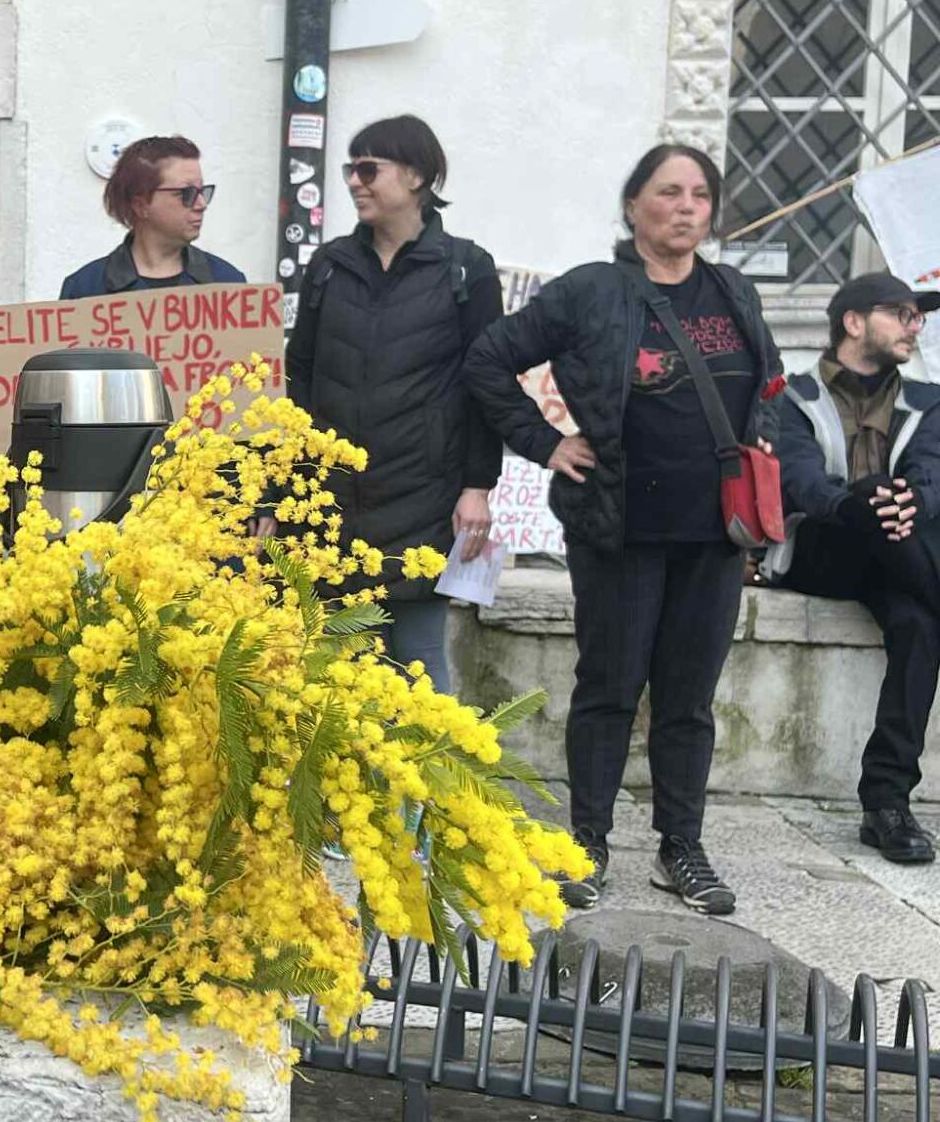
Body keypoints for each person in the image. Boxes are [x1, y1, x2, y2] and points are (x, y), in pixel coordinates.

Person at [465, 144, 784, 916]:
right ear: (633, 204)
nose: (686, 207)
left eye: (700, 194)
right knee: (609, 690)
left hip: (714, 534)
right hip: (620, 526)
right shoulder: (590, 292)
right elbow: (487, 360)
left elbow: (768, 380)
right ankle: (587, 844)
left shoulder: (732, 290)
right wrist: (548, 444)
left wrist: (761, 441)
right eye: (669, 192)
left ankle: (682, 849)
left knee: (689, 699)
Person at [285, 115, 500, 691]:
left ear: (416, 176)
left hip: (422, 498)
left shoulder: (465, 269)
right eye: (350, 168)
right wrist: (292, 481)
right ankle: (340, 783)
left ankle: (428, 782)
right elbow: (298, 374)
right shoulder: (329, 266)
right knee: (332, 666)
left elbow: (487, 386)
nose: (355, 181)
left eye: (367, 168)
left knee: (418, 663)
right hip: (330, 497)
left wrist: (477, 486)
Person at [765, 273, 940, 864]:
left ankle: (886, 803)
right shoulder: (790, 397)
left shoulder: (929, 400)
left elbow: (931, 475)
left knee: (919, 626)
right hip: (822, 548)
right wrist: (859, 504)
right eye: (902, 314)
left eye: (919, 317)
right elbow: (800, 478)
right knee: (873, 501)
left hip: (900, 560)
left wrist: (905, 502)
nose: (915, 326)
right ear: (854, 322)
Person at [59, 135, 246, 298]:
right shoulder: (86, 289)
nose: (201, 205)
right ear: (140, 205)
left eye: (202, 191)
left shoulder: (226, 283)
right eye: (187, 194)